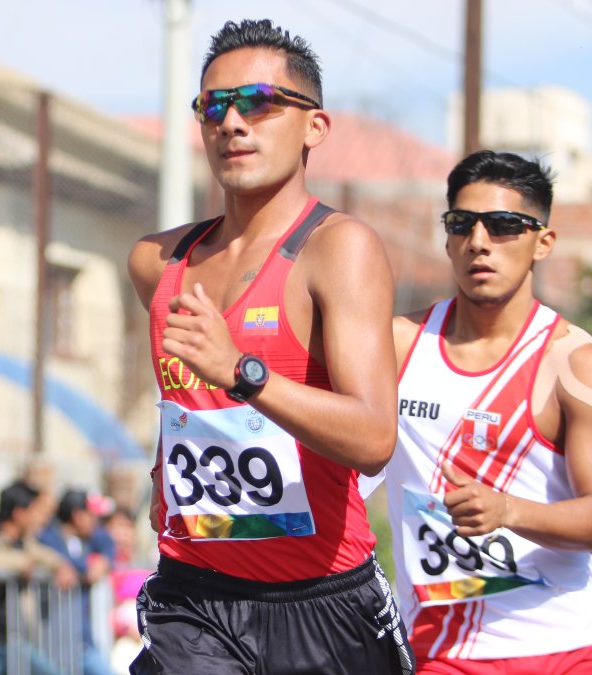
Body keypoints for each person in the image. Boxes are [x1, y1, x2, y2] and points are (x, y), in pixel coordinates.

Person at [125, 18, 412, 675]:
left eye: (257, 103)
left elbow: (374, 436)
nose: (232, 123)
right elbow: (188, 408)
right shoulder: (156, 262)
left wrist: (242, 371)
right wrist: (167, 472)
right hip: (194, 597)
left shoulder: (338, 250)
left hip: (322, 606)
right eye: (213, 107)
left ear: (316, 126)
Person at [384, 150, 592, 673]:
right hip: (439, 652)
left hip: (561, 649)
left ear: (544, 242)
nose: (479, 241)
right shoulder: (397, 344)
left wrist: (508, 511)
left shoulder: (575, 364)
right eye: (461, 223)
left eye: (503, 225)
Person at [0, 479, 77, 675]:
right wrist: (20, 563)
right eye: (35, 511)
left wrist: (62, 565)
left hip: (16, 641)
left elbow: (43, 555)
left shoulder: (24, 542)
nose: (41, 519)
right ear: (19, 513)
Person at [38, 489, 116, 675]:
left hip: (82, 639)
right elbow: (64, 562)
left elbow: (107, 541)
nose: (95, 521)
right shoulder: (49, 538)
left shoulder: (86, 539)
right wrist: (84, 568)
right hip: (53, 640)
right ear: (78, 515)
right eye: (91, 515)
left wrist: (104, 561)